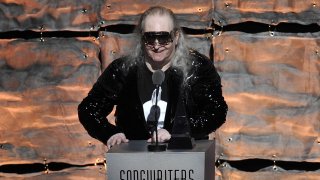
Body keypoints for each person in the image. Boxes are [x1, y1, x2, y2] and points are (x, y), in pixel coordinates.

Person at [78, 6, 228, 148]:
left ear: (176, 37)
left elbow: (216, 110)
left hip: (184, 159)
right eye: (150, 38)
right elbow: (89, 109)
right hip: (136, 162)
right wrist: (110, 133)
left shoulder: (197, 67)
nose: (156, 45)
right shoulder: (123, 69)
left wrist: (180, 132)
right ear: (141, 37)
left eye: (163, 37)